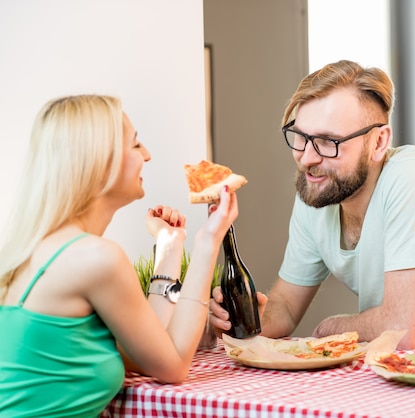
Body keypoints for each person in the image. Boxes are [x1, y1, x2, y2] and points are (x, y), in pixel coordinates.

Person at [211, 60, 415, 352]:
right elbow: (285, 307)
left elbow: (400, 330)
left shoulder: (412, 176)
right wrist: (244, 319)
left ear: (379, 143)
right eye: (300, 137)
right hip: (392, 373)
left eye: (328, 141)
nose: (307, 159)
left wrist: (328, 330)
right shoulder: (318, 189)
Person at [0, 95, 238, 417]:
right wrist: (209, 239)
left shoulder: (41, 251)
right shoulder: (95, 258)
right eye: (136, 145)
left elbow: (145, 353)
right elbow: (175, 364)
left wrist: (168, 248)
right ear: (101, 161)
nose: (148, 155)